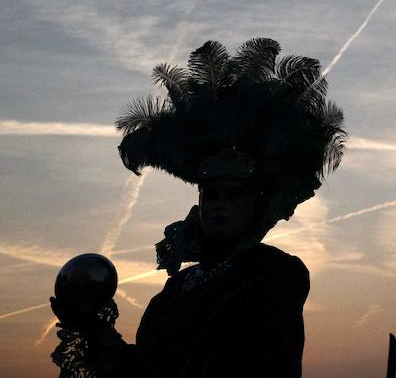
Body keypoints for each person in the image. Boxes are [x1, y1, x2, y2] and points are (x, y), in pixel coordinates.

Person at [50, 38, 346, 378]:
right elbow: (146, 369)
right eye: (211, 195)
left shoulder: (274, 273)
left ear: (256, 204)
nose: (219, 205)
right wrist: (91, 328)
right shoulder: (177, 288)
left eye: (233, 195)